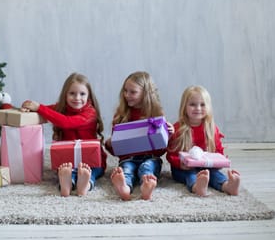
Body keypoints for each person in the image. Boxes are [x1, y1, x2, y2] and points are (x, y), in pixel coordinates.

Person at [21, 72, 106, 197]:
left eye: (82, 94)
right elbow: (45, 110)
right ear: (65, 95)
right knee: (66, 171)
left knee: (90, 172)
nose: (77, 98)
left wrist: (38, 107)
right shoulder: (62, 108)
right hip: (68, 159)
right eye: (72, 93)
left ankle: (85, 186)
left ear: (89, 96)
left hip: (92, 159)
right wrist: (29, 106)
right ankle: (66, 185)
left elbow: (66, 122)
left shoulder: (90, 113)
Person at [105, 71, 174, 201]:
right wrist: (110, 144)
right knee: (126, 169)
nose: (127, 95)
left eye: (133, 92)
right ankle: (124, 187)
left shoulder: (156, 115)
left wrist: (168, 136)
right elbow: (119, 151)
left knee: (147, 168)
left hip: (151, 157)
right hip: (128, 158)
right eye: (125, 91)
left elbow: (161, 151)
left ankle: (146, 187)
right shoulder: (121, 115)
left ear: (146, 93)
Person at [166, 85, 241, 197]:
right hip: (183, 169)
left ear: (208, 107)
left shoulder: (211, 129)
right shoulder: (178, 128)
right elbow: (171, 155)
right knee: (190, 174)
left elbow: (218, 151)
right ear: (184, 107)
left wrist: (220, 160)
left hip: (206, 166)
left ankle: (227, 186)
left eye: (202, 104)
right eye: (192, 104)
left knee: (214, 174)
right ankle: (197, 187)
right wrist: (180, 164)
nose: (198, 108)